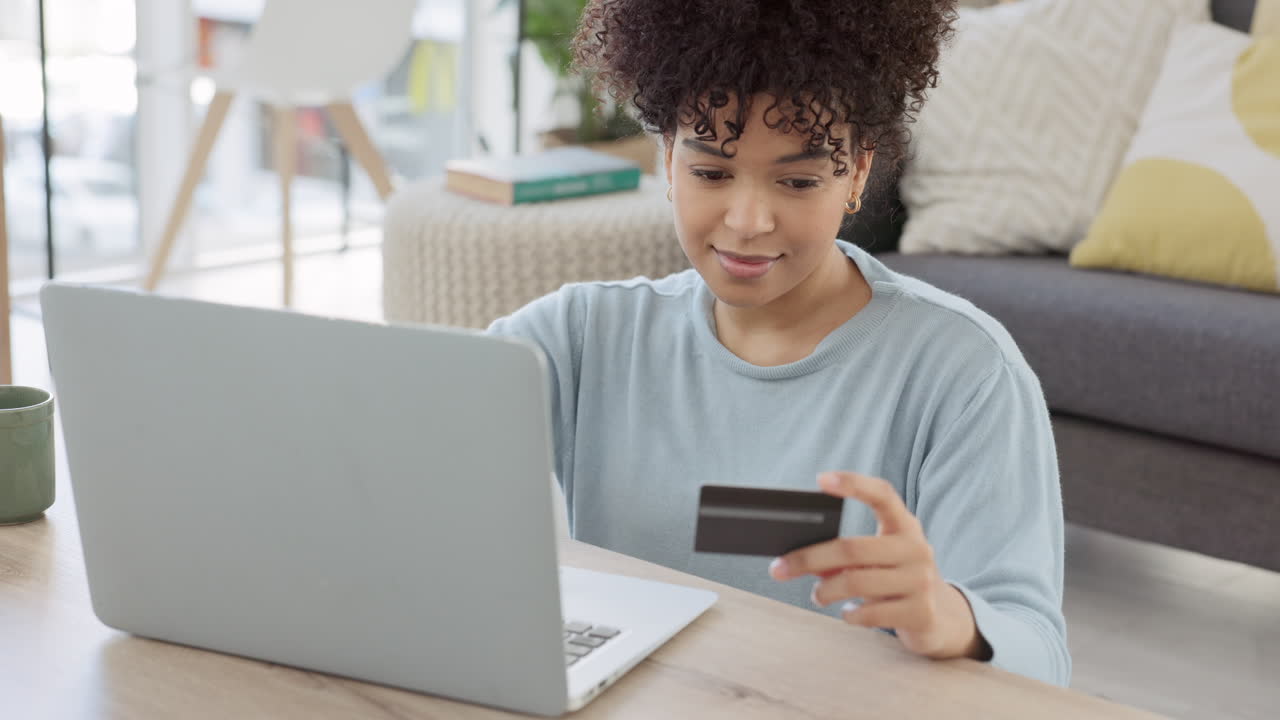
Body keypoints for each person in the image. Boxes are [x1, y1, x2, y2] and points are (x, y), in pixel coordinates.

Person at [486, 0, 1070, 686]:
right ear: (669, 159)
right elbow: (396, 434)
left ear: (856, 174)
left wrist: (949, 617)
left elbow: (1041, 657)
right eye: (711, 173)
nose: (748, 220)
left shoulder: (962, 372)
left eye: (797, 181)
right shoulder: (579, 337)